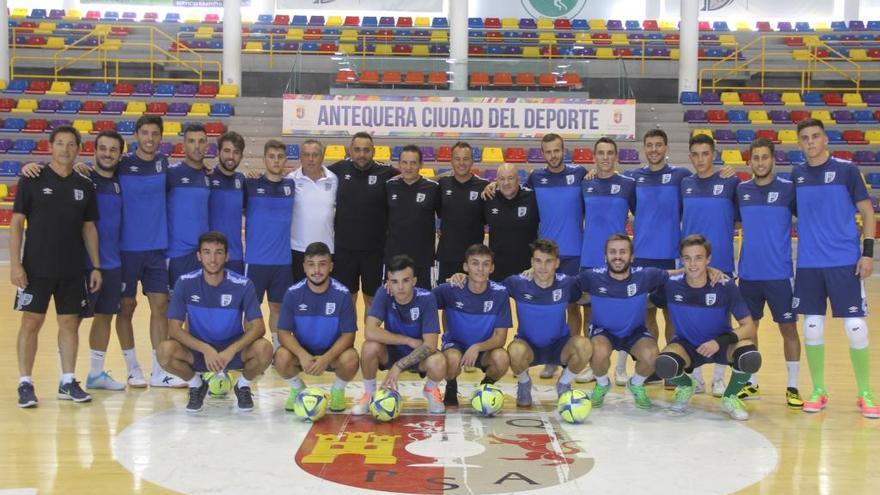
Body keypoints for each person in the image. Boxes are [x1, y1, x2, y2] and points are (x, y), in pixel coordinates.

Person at [792, 118, 878, 418]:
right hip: (809, 264)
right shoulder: (797, 174)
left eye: (816, 136)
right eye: (805, 138)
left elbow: (868, 212)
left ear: (825, 139)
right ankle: (818, 390)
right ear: (800, 143)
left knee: (856, 328)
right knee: (812, 327)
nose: (811, 142)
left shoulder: (847, 171)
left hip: (844, 262)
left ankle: (865, 393)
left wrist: (867, 253)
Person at [12, 125, 102, 407]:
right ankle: (25, 383)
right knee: (31, 322)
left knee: (69, 324)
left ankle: (67, 380)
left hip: (72, 269)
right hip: (36, 268)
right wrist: (16, 264)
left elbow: (89, 227)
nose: (65, 149)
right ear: (50, 147)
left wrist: (96, 266)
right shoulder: (32, 178)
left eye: (71, 144)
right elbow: (16, 223)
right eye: (60, 143)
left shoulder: (85, 185)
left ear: (78, 149)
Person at [158, 232, 273, 413]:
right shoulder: (185, 283)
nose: (213, 259)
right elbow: (173, 329)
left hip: (233, 352)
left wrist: (231, 350)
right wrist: (205, 349)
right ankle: (197, 385)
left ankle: (242, 385)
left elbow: (259, 327)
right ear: (199, 256)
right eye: (207, 252)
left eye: (219, 252)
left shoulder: (243, 284)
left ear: (226, 256)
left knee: (265, 349)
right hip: (199, 352)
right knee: (164, 352)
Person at [654, 235, 760, 420]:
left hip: (721, 344)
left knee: (750, 356)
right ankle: (687, 386)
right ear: (681, 260)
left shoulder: (724, 285)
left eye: (699, 258)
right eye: (687, 258)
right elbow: (642, 279)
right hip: (687, 346)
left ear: (708, 259)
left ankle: (730, 397)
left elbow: (749, 326)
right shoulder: (671, 285)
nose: (693, 264)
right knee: (664, 364)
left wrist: (719, 342)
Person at [116, 115, 183, 387]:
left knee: (161, 307)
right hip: (126, 250)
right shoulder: (121, 164)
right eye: (145, 133)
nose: (149, 139)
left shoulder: (163, 164)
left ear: (161, 137)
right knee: (126, 308)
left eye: (155, 134)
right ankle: (132, 367)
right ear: (136, 135)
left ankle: (159, 369)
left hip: (156, 250)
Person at [735, 138, 802, 407]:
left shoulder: (788, 190)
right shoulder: (741, 190)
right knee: (749, 330)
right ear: (749, 161)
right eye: (756, 158)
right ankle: (751, 383)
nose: (760, 162)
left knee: (788, 329)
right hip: (749, 274)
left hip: (779, 275)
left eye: (765, 157)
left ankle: (793, 386)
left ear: (774, 159)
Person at [681, 133, 741, 396]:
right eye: (695, 154)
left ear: (714, 154)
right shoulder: (684, 184)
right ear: (690, 156)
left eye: (706, 153)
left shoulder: (730, 182)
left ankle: (719, 377)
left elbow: (739, 220)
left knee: (721, 320)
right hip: (692, 265)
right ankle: (696, 376)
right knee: (691, 319)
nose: (700, 159)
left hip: (722, 263)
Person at [353, 255, 447, 414]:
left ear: (414, 281)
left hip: (418, 356)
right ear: (388, 282)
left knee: (438, 361)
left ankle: (430, 390)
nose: (400, 287)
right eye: (394, 282)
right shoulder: (384, 293)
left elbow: (430, 345)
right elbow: (370, 331)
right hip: (392, 352)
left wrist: (399, 366)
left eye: (406, 280)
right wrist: (408, 340)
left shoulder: (427, 298)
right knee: (369, 347)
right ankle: (369, 393)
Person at [504, 239, 592, 407]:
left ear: (557, 263)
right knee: (514, 350)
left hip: (559, 347)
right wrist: (463, 279)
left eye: (548, 261)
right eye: (538, 261)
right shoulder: (517, 283)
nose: (542, 267)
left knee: (585, 345)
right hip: (528, 346)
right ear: (531, 262)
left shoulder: (567, 283)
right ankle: (524, 383)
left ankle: (564, 383)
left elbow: (590, 293)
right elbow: (487, 289)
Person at [274, 242, 359, 413]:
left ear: (331, 266)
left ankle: (337, 390)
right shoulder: (293, 293)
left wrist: (326, 358)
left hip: (332, 354)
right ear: (304, 267)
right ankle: (297, 388)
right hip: (303, 353)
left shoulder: (342, 294)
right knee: (281, 357)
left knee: (351, 359)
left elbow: (349, 335)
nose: (317, 270)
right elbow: (283, 332)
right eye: (311, 265)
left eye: (322, 264)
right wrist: (302, 355)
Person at [581, 234, 663, 410]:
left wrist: (705, 271)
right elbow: (562, 284)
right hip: (603, 332)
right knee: (597, 351)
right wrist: (535, 272)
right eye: (612, 252)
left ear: (632, 256)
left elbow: (674, 276)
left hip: (635, 332)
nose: (617, 257)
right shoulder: (591, 277)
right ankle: (602, 384)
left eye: (623, 252)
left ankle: (636, 384)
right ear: (605, 256)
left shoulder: (645, 275)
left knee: (652, 355)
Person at [580, 138, 636, 383]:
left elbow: (639, 214)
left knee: (624, 313)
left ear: (616, 157)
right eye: (601, 153)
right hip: (590, 258)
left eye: (610, 153)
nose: (605, 157)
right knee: (590, 315)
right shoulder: (585, 183)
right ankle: (593, 365)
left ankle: (621, 368)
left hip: (619, 259)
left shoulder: (628, 184)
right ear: (594, 156)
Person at [329, 132, 399, 321]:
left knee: (373, 299)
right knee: (346, 298)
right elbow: (309, 175)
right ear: (350, 150)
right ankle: (347, 345)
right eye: (357, 150)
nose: (361, 154)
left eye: (366, 150)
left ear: (373, 151)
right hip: (344, 249)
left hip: (375, 251)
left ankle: (371, 344)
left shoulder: (387, 173)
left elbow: (414, 179)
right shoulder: (337, 170)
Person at [433, 244, 512, 406]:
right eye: (475, 263)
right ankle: (451, 384)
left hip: (484, 349)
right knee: (451, 359)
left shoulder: (500, 293)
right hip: (455, 346)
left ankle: (485, 387)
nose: (480, 269)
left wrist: (477, 347)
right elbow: (420, 300)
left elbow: (500, 338)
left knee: (502, 358)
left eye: (485, 264)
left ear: (492, 268)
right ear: (465, 267)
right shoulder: (450, 289)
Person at [244, 140, 296, 349]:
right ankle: (250, 348)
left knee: (279, 307)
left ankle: (276, 348)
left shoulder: (291, 185)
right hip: (255, 261)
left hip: (282, 261)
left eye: (280, 157)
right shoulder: (251, 185)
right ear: (264, 159)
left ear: (285, 160)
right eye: (271, 156)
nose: (276, 161)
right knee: (251, 308)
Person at [384, 145, 440, 289]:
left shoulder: (433, 188)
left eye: (413, 163)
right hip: (394, 258)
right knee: (392, 303)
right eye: (404, 162)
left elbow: (446, 215)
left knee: (424, 301)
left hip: (423, 259)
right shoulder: (389, 186)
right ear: (399, 164)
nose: (408, 167)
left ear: (421, 164)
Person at [436, 142, 488, 283]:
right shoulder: (442, 184)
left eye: (465, 159)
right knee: (444, 300)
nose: (461, 163)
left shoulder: (484, 186)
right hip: (446, 256)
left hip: (474, 258)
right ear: (451, 161)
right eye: (457, 159)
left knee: (474, 301)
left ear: (472, 161)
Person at [166, 124, 211, 289]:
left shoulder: (208, 176)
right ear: (183, 145)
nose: (197, 146)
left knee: (200, 310)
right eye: (192, 141)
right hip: (178, 255)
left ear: (207, 145)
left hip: (203, 256)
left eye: (201, 141)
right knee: (175, 311)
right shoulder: (171, 174)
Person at [289, 139, 337, 283]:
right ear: (300, 157)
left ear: (322, 157)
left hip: (327, 250)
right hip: (297, 250)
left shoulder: (334, 179)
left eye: (315, 155)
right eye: (306, 155)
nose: (310, 159)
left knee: (324, 297)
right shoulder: (290, 180)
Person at [484, 163, 539, 282]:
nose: (506, 183)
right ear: (496, 180)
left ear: (518, 179)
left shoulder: (532, 197)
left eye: (510, 178)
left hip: (527, 272)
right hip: (497, 272)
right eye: (502, 179)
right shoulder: (489, 198)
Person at [209, 131, 247, 275]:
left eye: (236, 152)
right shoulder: (207, 177)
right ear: (218, 152)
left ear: (241, 156)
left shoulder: (242, 181)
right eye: (226, 151)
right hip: (210, 256)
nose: (231, 156)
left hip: (235, 255)